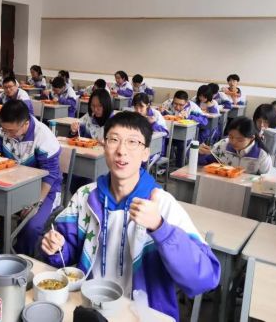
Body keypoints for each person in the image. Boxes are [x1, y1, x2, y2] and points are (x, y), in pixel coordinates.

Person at [41, 112, 220, 320]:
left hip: (142, 314)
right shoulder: (85, 196)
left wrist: (160, 228)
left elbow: (205, 279)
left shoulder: (162, 205)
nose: (121, 151)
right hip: (89, 306)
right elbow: (65, 252)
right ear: (104, 146)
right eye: (114, 140)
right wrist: (56, 247)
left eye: (132, 142)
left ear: (145, 153)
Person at [0, 100, 62, 255]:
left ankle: (19, 259)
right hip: (12, 185)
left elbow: (50, 176)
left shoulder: (43, 137)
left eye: (11, 131)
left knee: (31, 226)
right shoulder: (6, 129)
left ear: (25, 124)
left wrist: (36, 203)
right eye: (4, 129)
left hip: (43, 191)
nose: (7, 134)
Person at [198, 116, 273, 174]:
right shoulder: (223, 145)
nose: (233, 142)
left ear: (252, 138)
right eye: (231, 137)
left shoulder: (262, 156)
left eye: (240, 139)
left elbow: (264, 181)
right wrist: (201, 154)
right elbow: (205, 164)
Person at [161, 90, 208, 166]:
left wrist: (189, 117)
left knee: (182, 144)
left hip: (184, 135)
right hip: (169, 133)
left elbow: (204, 121)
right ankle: (162, 165)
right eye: (175, 104)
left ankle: (179, 166)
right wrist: (161, 112)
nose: (177, 107)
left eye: (181, 105)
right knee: (161, 140)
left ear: (186, 102)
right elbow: (160, 115)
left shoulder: (193, 108)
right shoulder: (167, 103)